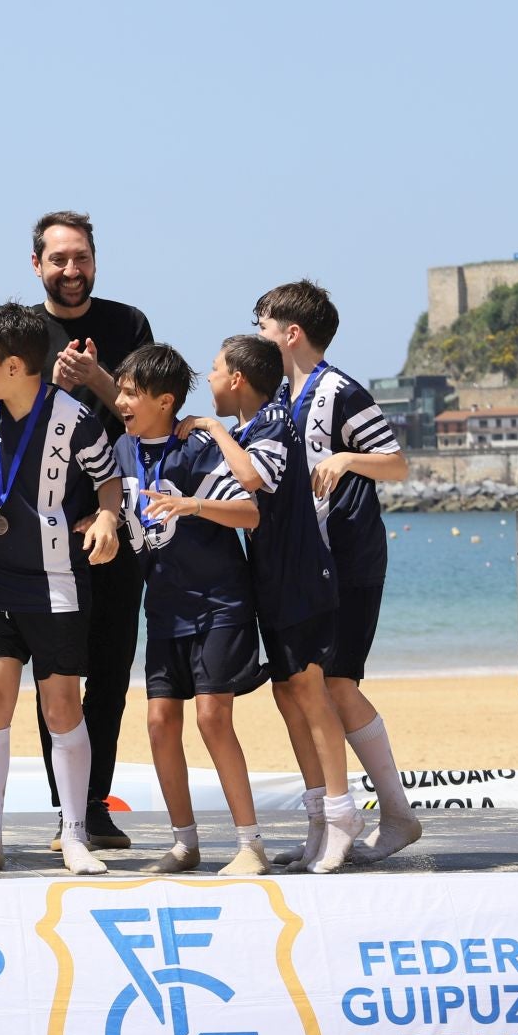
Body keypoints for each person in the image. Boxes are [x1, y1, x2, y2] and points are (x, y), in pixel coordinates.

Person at [0, 302, 123, 877]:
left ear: (16, 365)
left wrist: (106, 519)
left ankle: (75, 834)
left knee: (60, 708)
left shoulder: (76, 419)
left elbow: (110, 481)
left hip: (58, 584)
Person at [255, 279, 416, 862]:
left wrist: (348, 457)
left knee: (337, 685)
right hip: (301, 566)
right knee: (306, 690)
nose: (259, 335)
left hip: (348, 561)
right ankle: (328, 825)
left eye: (264, 325)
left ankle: (394, 814)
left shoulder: (341, 391)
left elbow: (397, 465)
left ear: (291, 332)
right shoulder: (277, 398)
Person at [195, 335, 359, 873]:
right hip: (271, 581)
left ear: (238, 378)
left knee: (310, 694)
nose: (210, 379)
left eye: (216, 369)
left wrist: (215, 430)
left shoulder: (271, 421)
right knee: (289, 695)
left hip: (302, 580)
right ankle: (318, 823)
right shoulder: (251, 428)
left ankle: (342, 817)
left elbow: (251, 479)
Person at [112, 344, 269, 876]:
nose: (121, 401)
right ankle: (185, 844)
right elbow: (113, 503)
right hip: (164, 609)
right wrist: (102, 524)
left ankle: (250, 844)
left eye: (131, 393)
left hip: (220, 603)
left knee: (212, 717)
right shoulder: (123, 448)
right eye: (120, 391)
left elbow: (250, 513)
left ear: (165, 400)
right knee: (159, 721)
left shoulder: (198, 447)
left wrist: (192, 504)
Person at [31, 210, 153, 851]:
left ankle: (94, 809)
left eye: (81, 258)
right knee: (55, 677)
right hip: (45, 532)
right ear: (37, 265)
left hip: (119, 529)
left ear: (95, 261)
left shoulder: (128, 325)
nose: (71, 271)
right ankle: (64, 812)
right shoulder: (23, 331)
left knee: (108, 674)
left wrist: (96, 380)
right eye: (59, 259)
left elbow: (149, 415)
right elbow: (7, 423)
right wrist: (54, 391)